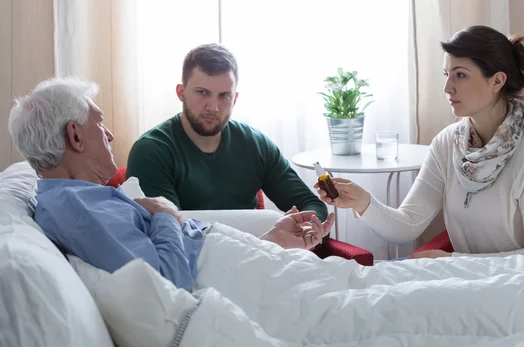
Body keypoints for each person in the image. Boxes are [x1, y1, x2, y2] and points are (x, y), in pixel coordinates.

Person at [8, 77, 334, 291]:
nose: (108, 134)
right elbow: (170, 280)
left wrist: (268, 241)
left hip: (237, 258)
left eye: (224, 95)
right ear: (75, 136)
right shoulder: (76, 209)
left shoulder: (83, 197)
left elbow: (187, 251)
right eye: (100, 122)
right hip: (233, 276)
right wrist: (164, 211)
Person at [315, 25, 524, 258]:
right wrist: (363, 201)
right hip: (475, 284)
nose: (447, 87)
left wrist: (453, 261)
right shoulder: (447, 144)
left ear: (497, 81)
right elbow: (408, 224)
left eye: (460, 75)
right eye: (446, 74)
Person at [126, 43, 328, 223]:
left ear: (235, 98)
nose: (213, 107)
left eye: (224, 96)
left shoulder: (256, 145)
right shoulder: (151, 151)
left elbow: (311, 205)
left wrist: (310, 228)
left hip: (260, 255)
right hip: (191, 262)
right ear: (181, 92)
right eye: (202, 92)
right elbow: (169, 233)